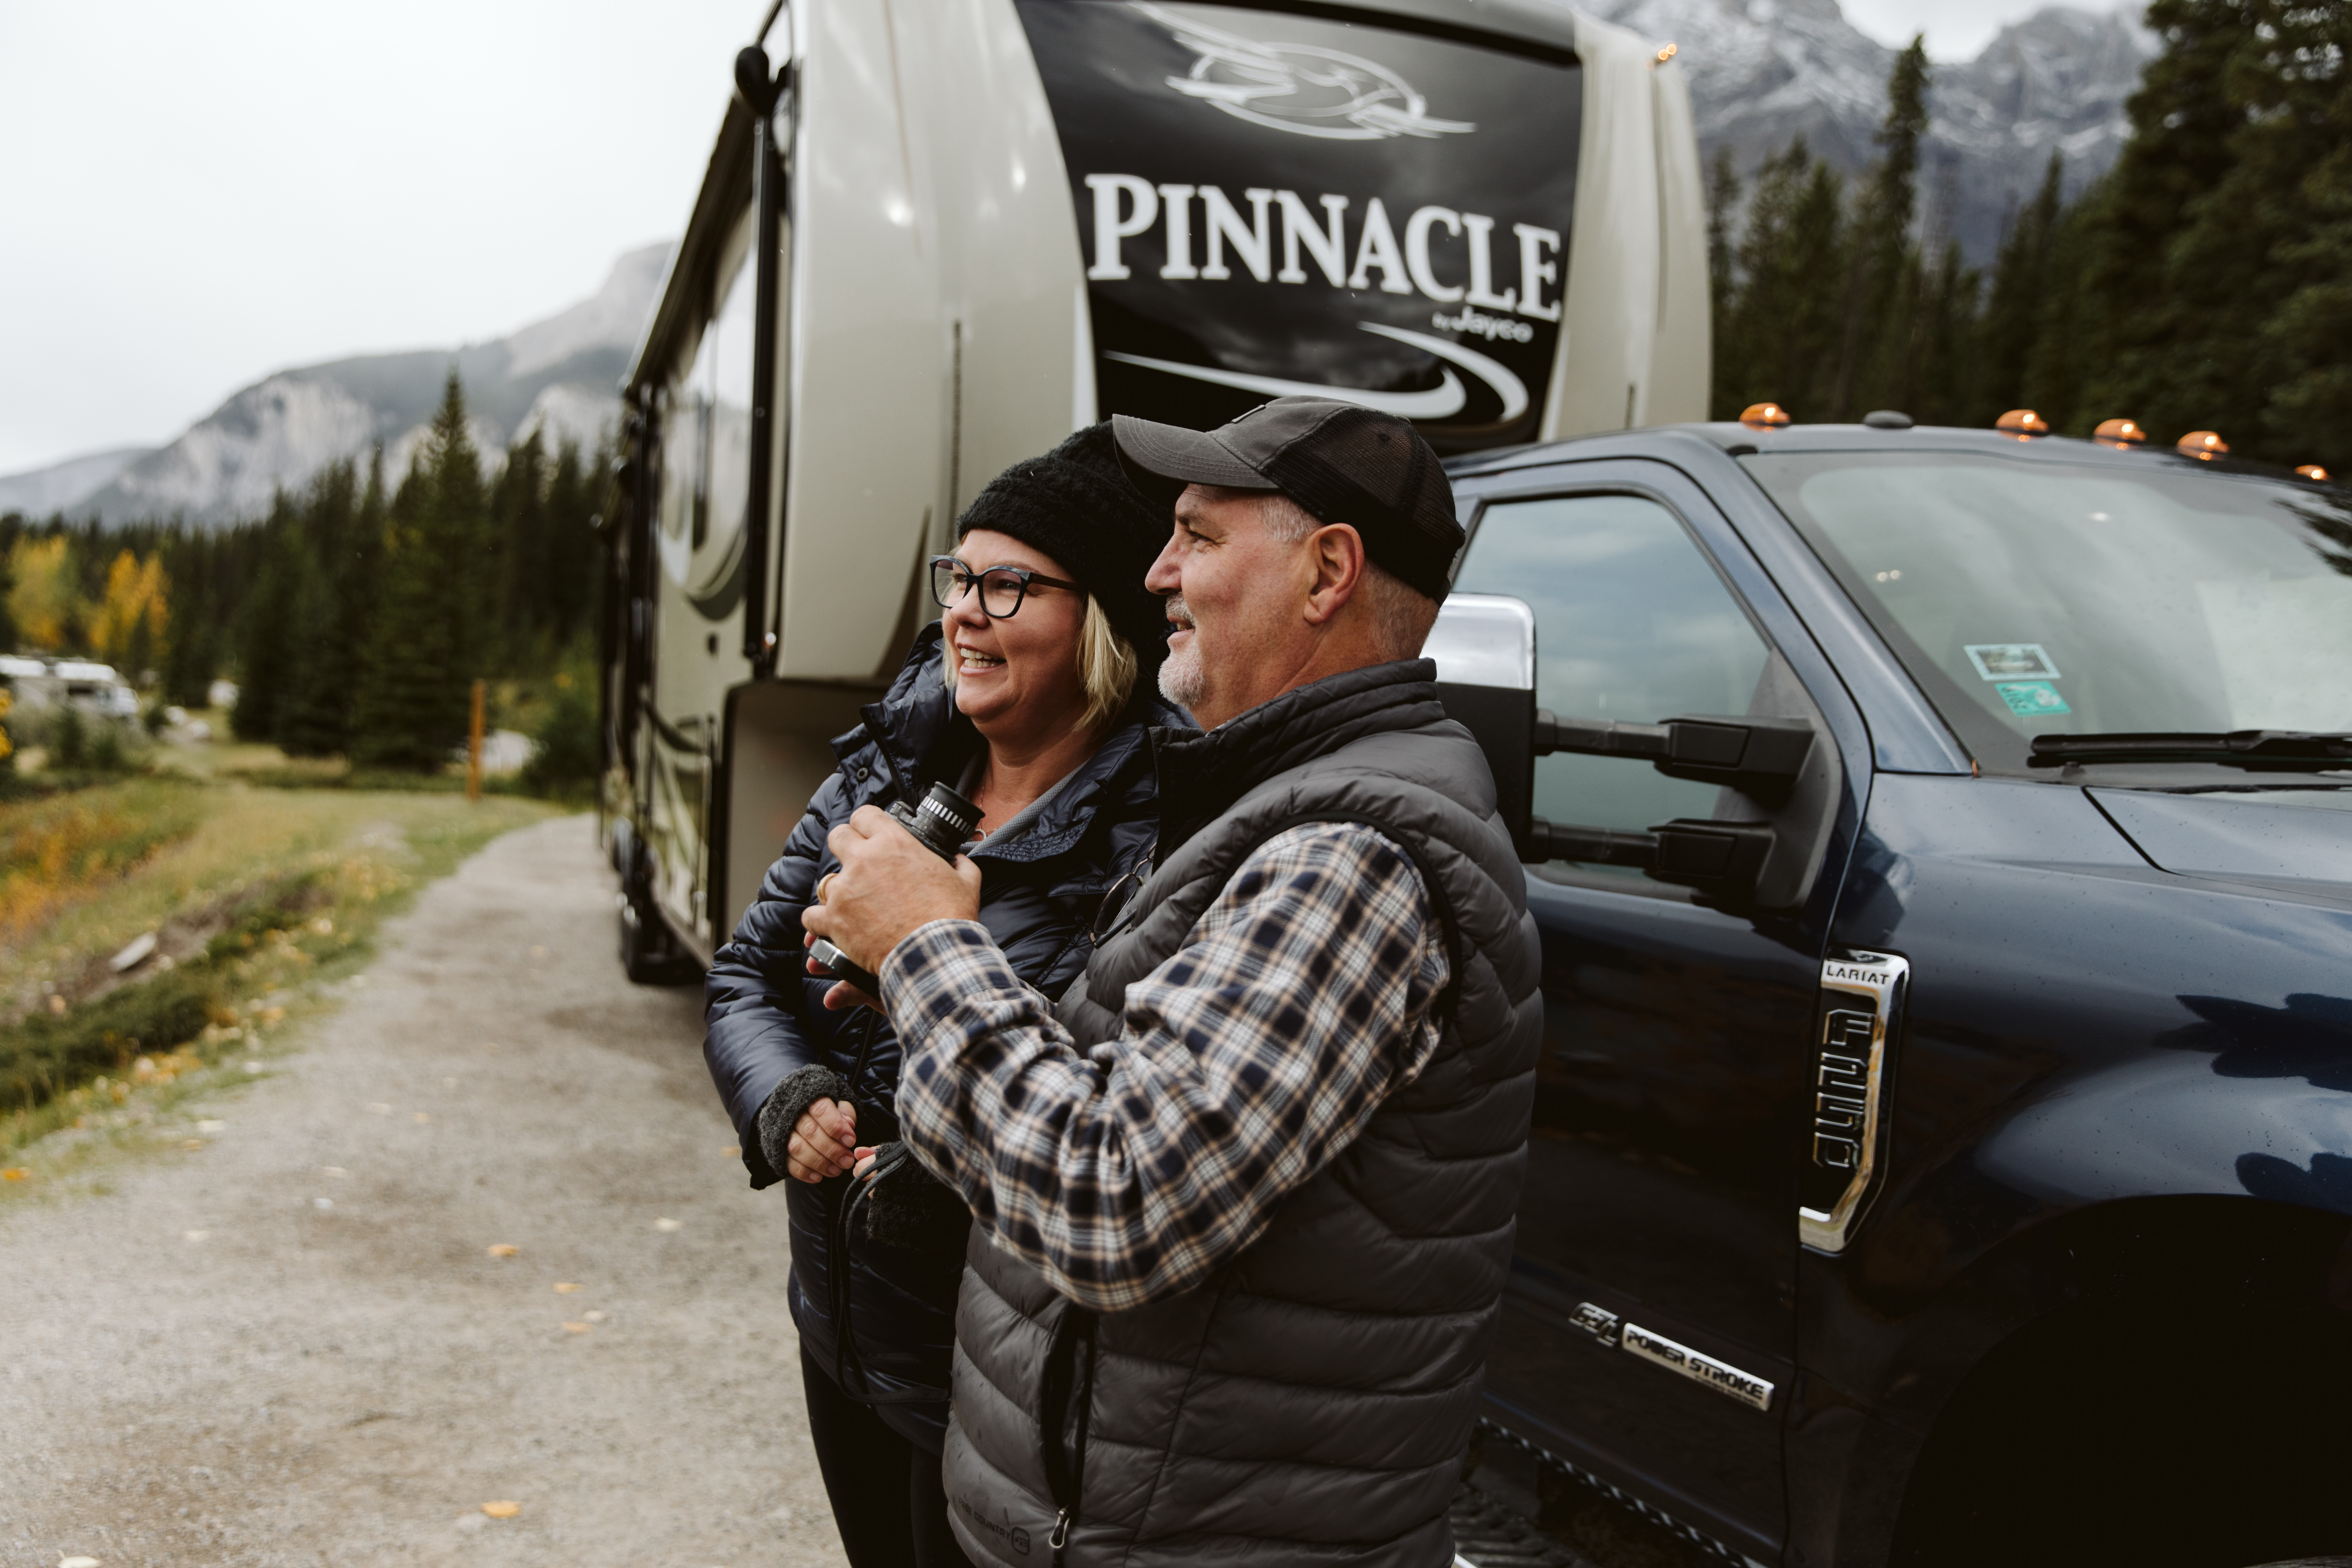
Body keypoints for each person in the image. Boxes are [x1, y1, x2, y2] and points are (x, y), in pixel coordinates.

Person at [804, 396, 1544, 1568]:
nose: (1156, 573)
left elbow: (1118, 1197)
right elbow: (1144, 1100)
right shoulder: (1270, 805)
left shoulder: (1350, 860)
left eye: (1197, 536)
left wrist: (927, 950)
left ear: (1328, 572)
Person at [702, 423, 1184, 1568]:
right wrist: (785, 1097)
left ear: (1102, 624)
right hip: (843, 1322)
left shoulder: (1155, 836)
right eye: (958, 577)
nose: (965, 612)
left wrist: (953, 1175)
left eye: (1007, 586)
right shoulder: (887, 772)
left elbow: (1117, 1100)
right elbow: (747, 975)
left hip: (1004, 1378)